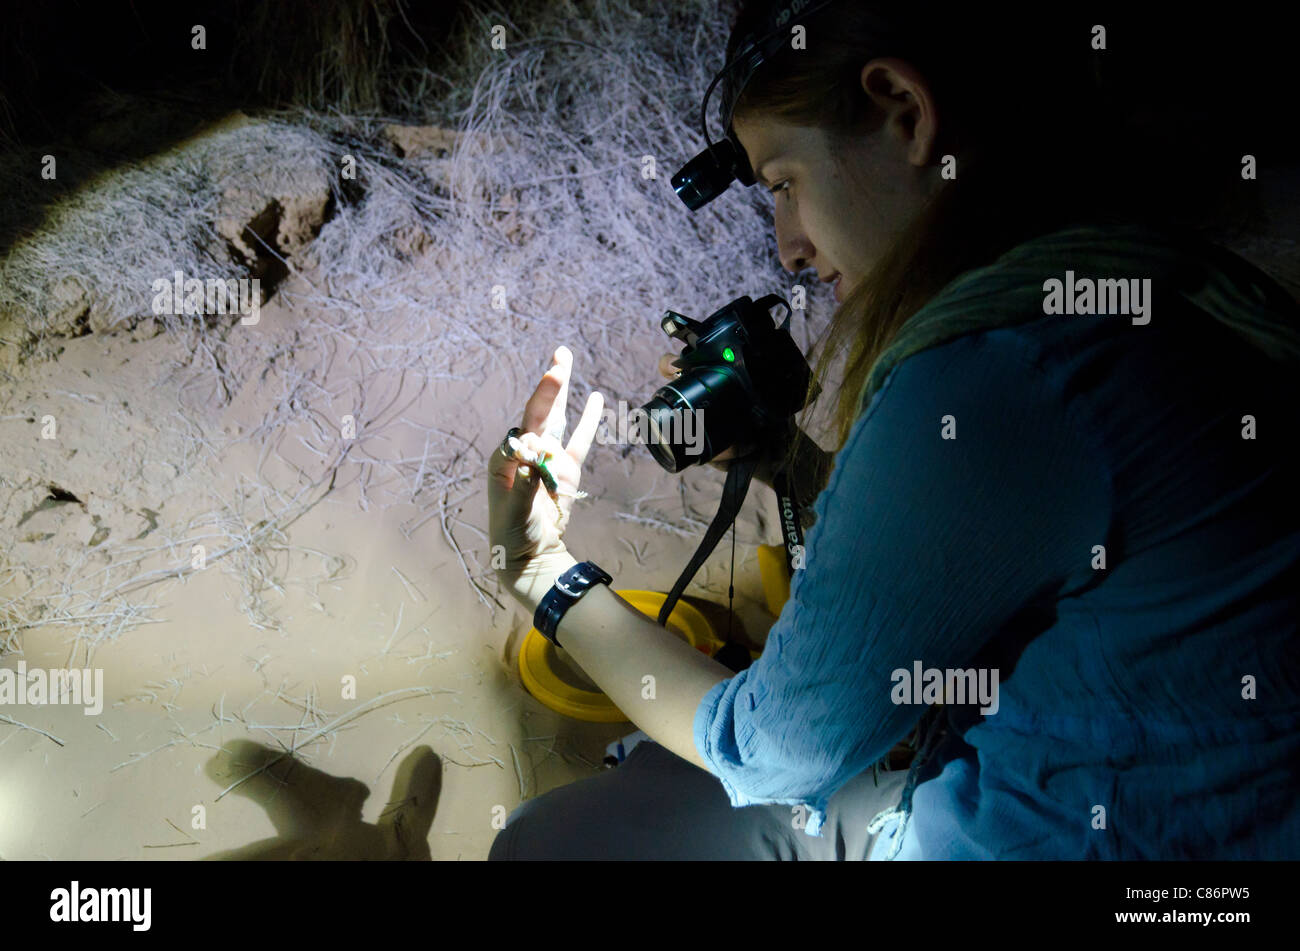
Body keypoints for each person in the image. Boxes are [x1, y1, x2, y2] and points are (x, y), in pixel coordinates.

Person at [485, 2, 1300, 859]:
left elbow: (773, 751)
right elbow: (967, 556)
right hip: (1162, 804)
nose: (788, 245)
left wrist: (544, 574)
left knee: (549, 845)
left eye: (786, 183)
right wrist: (783, 457)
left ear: (903, 112)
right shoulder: (1147, 278)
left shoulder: (1003, 369)